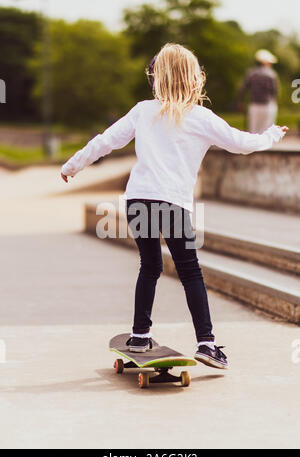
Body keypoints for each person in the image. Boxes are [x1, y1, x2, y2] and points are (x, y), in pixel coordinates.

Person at [61, 43, 288, 370]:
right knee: (189, 271)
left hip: (139, 200)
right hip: (174, 205)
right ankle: (207, 343)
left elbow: (105, 141)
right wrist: (271, 136)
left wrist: (72, 165)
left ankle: (140, 335)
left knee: (149, 266)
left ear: (157, 78)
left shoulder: (142, 110)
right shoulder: (201, 117)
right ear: (195, 79)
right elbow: (242, 144)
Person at [237, 49, 280, 133]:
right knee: (267, 132)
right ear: (266, 62)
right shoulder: (272, 74)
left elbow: (242, 89)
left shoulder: (251, 73)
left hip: (254, 105)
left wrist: (239, 103)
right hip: (268, 106)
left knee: (253, 131)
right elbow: (275, 92)